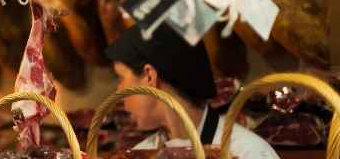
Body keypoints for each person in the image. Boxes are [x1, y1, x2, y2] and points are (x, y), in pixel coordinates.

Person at [106, 26, 278, 158]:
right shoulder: (143, 153)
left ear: (150, 77)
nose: (119, 92)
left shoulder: (247, 152)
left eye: (121, 78)